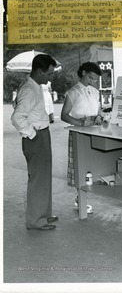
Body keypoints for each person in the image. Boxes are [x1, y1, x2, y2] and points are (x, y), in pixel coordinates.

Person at [11, 54, 58, 231]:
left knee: (44, 176)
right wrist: (32, 134)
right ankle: (35, 220)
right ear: (39, 71)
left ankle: (43, 214)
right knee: (38, 179)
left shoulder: (36, 85)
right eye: (48, 74)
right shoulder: (29, 89)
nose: (50, 77)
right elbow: (17, 117)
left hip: (42, 134)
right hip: (36, 138)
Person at [61, 62, 103, 214]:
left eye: (95, 79)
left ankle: (84, 196)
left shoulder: (95, 91)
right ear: (83, 73)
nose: (92, 81)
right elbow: (64, 115)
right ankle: (80, 198)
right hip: (79, 132)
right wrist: (79, 122)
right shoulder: (73, 92)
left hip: (94, 131)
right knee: (79, 167)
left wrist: (99, 117)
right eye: (91, 78)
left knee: (92, 167)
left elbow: (98, 111)